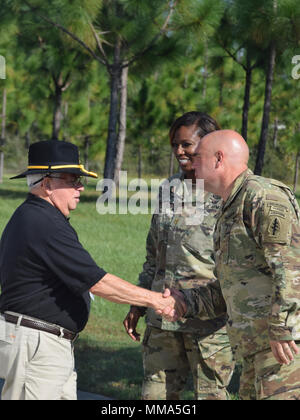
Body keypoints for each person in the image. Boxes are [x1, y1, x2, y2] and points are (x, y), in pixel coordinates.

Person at [0, 139, 184, 401]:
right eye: (72, 179)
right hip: (37, 345)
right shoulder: (41, 222)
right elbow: (97, 282)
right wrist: (155, 300)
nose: (81, 187)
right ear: (47, 184)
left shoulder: (37, 217)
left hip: (43, 343)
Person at [161, 129, 300, 400]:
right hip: (254, 354)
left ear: (218, 159)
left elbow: (292, 269)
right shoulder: (229, 206)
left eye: (197, 156)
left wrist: (284, 328)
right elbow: (233, 286)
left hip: (282, 353)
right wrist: (187, 302)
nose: (190, 162)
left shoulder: (262, 197)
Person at [123, 112, 234, 400]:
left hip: (209, 327)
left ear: (209, 145)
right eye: (175, 144)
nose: (179, 151)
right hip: (162, 322)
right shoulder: (168, 189)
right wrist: (139, 302)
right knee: (154, 399)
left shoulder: (227, 194)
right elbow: (153, 255)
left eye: (186, 144)